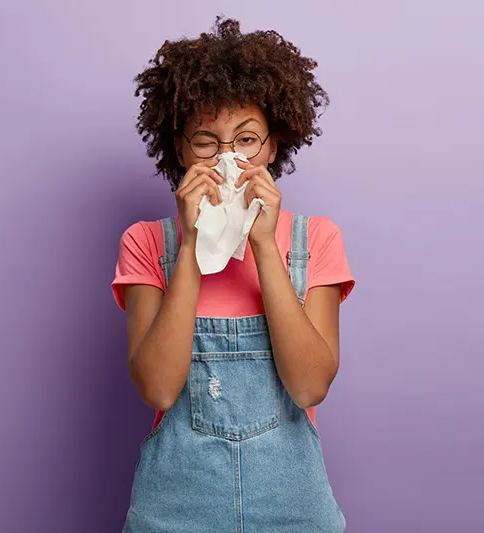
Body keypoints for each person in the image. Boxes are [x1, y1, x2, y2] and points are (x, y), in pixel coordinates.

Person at [111, 16, 355, 533]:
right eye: (207, 141)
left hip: (292, 507)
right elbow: (157, 388)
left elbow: (311, 386)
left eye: (245, 139)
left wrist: (264, 245)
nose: (228, 158)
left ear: (271, 147)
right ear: (180, 150)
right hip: (175, 509)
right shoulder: (147, 243)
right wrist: (193, 243)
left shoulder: (317, 240)